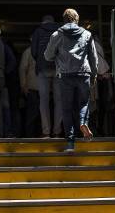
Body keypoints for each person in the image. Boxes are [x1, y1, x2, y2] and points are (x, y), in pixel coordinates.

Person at [45, 8, 98, 151]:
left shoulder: (57, 35)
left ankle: (70, 143)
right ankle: (82, 122)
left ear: (64, 19)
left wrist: (58, 55)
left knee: (66, 108)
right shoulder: (87, 34)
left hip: (65, 75)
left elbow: (47, 56)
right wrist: (94, 75)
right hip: (83, 74)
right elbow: (93, 57)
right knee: (83, 103)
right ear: (77, 19)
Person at [31, 15, 61, 138]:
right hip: (58, 68)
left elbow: (33, 51)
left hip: (42, 68)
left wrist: (39, 60)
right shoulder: (59, 31)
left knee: (43, 102)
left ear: (43, 22)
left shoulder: (38, 31)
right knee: (59, 101)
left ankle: (46, 131)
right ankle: (57, 131)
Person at [20, 40, 41, 137]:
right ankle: (32, 135)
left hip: (32, 87)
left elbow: (22, 69)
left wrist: (23, 85)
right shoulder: (31, 51)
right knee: (36, 114)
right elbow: (23, 69)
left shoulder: (28, 51)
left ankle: (31, 135)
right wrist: (24, 85)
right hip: (37, 88)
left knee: (32, 114)